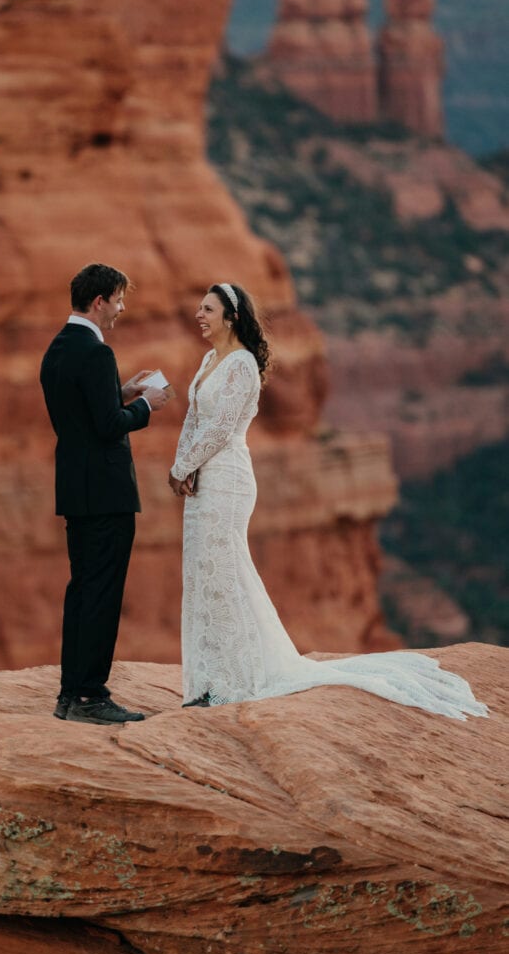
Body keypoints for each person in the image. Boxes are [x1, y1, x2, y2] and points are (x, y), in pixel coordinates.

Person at [169, 282, 488, 721]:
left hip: (227, 478)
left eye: (207, 309)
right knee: (203, 570)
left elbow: (222, 426)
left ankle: (233, 681)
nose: (199, 315)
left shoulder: (241, 364)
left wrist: (183, 465)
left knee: (224, 570)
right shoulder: (208, 360)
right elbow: (194, 417)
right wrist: (182, 464)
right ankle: (206, 679)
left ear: (231, 316)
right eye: (199, 308)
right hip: (201, 477)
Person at [41, 263, 170, 725]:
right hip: (107, 492)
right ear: (99, 302)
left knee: (82, 591)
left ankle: (70, 693)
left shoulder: (58, 348)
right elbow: (108, 426)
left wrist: (121, 391)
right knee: (102, 594)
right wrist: (143, 404)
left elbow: (82, 413)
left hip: (76, 489)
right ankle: (91, 698)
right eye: (118, 300)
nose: (121, 309)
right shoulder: (96, 352)